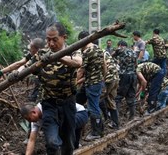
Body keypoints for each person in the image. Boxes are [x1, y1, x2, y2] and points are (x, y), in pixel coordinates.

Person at [29, 22, 82, 155]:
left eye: (54, 39)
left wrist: (57, 57)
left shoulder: (73, 50)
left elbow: (78, 62)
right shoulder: (42, 53)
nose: (51, 44)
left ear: (64, 37)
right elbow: (27, 67)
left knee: (68, 143)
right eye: (48, 39)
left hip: (68, 103)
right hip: (49, 104)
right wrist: (14, 74)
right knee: (52, 143)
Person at [21, 102, 88, 154]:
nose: (30, 121)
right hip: (66, 121)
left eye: (29, 119)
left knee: (59, 128)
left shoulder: (47, 106)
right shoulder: (35, 121)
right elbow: (32, 140)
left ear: (34, 112)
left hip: (80, 113)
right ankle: (74, 143)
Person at [78, 30, 105, 141]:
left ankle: (96, 132)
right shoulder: (99, 49)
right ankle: (78, 123)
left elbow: (81, 70)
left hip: (92, 84)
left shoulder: (87, 51)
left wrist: (74, 82)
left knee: (93, 106)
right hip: (95, 82)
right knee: (77, 100)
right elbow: (104, 65)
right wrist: (102, 78)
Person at [113, 40, 137, 121]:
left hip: (124, 75)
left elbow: (111, 56)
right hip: (133, 75)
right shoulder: (133, 52)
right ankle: (132, 117)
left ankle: (115, 120)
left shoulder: (121, 50)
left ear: (120, 45)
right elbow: (136, 63)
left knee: (118, 97)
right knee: (131, 96)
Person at [100, 49, 120, 129]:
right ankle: (114, 122)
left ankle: (99, 125)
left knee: (98, 99)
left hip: (108, 79)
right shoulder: (105, 52)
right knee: (110, 99)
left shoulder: (94, 52)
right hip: (115, 78)